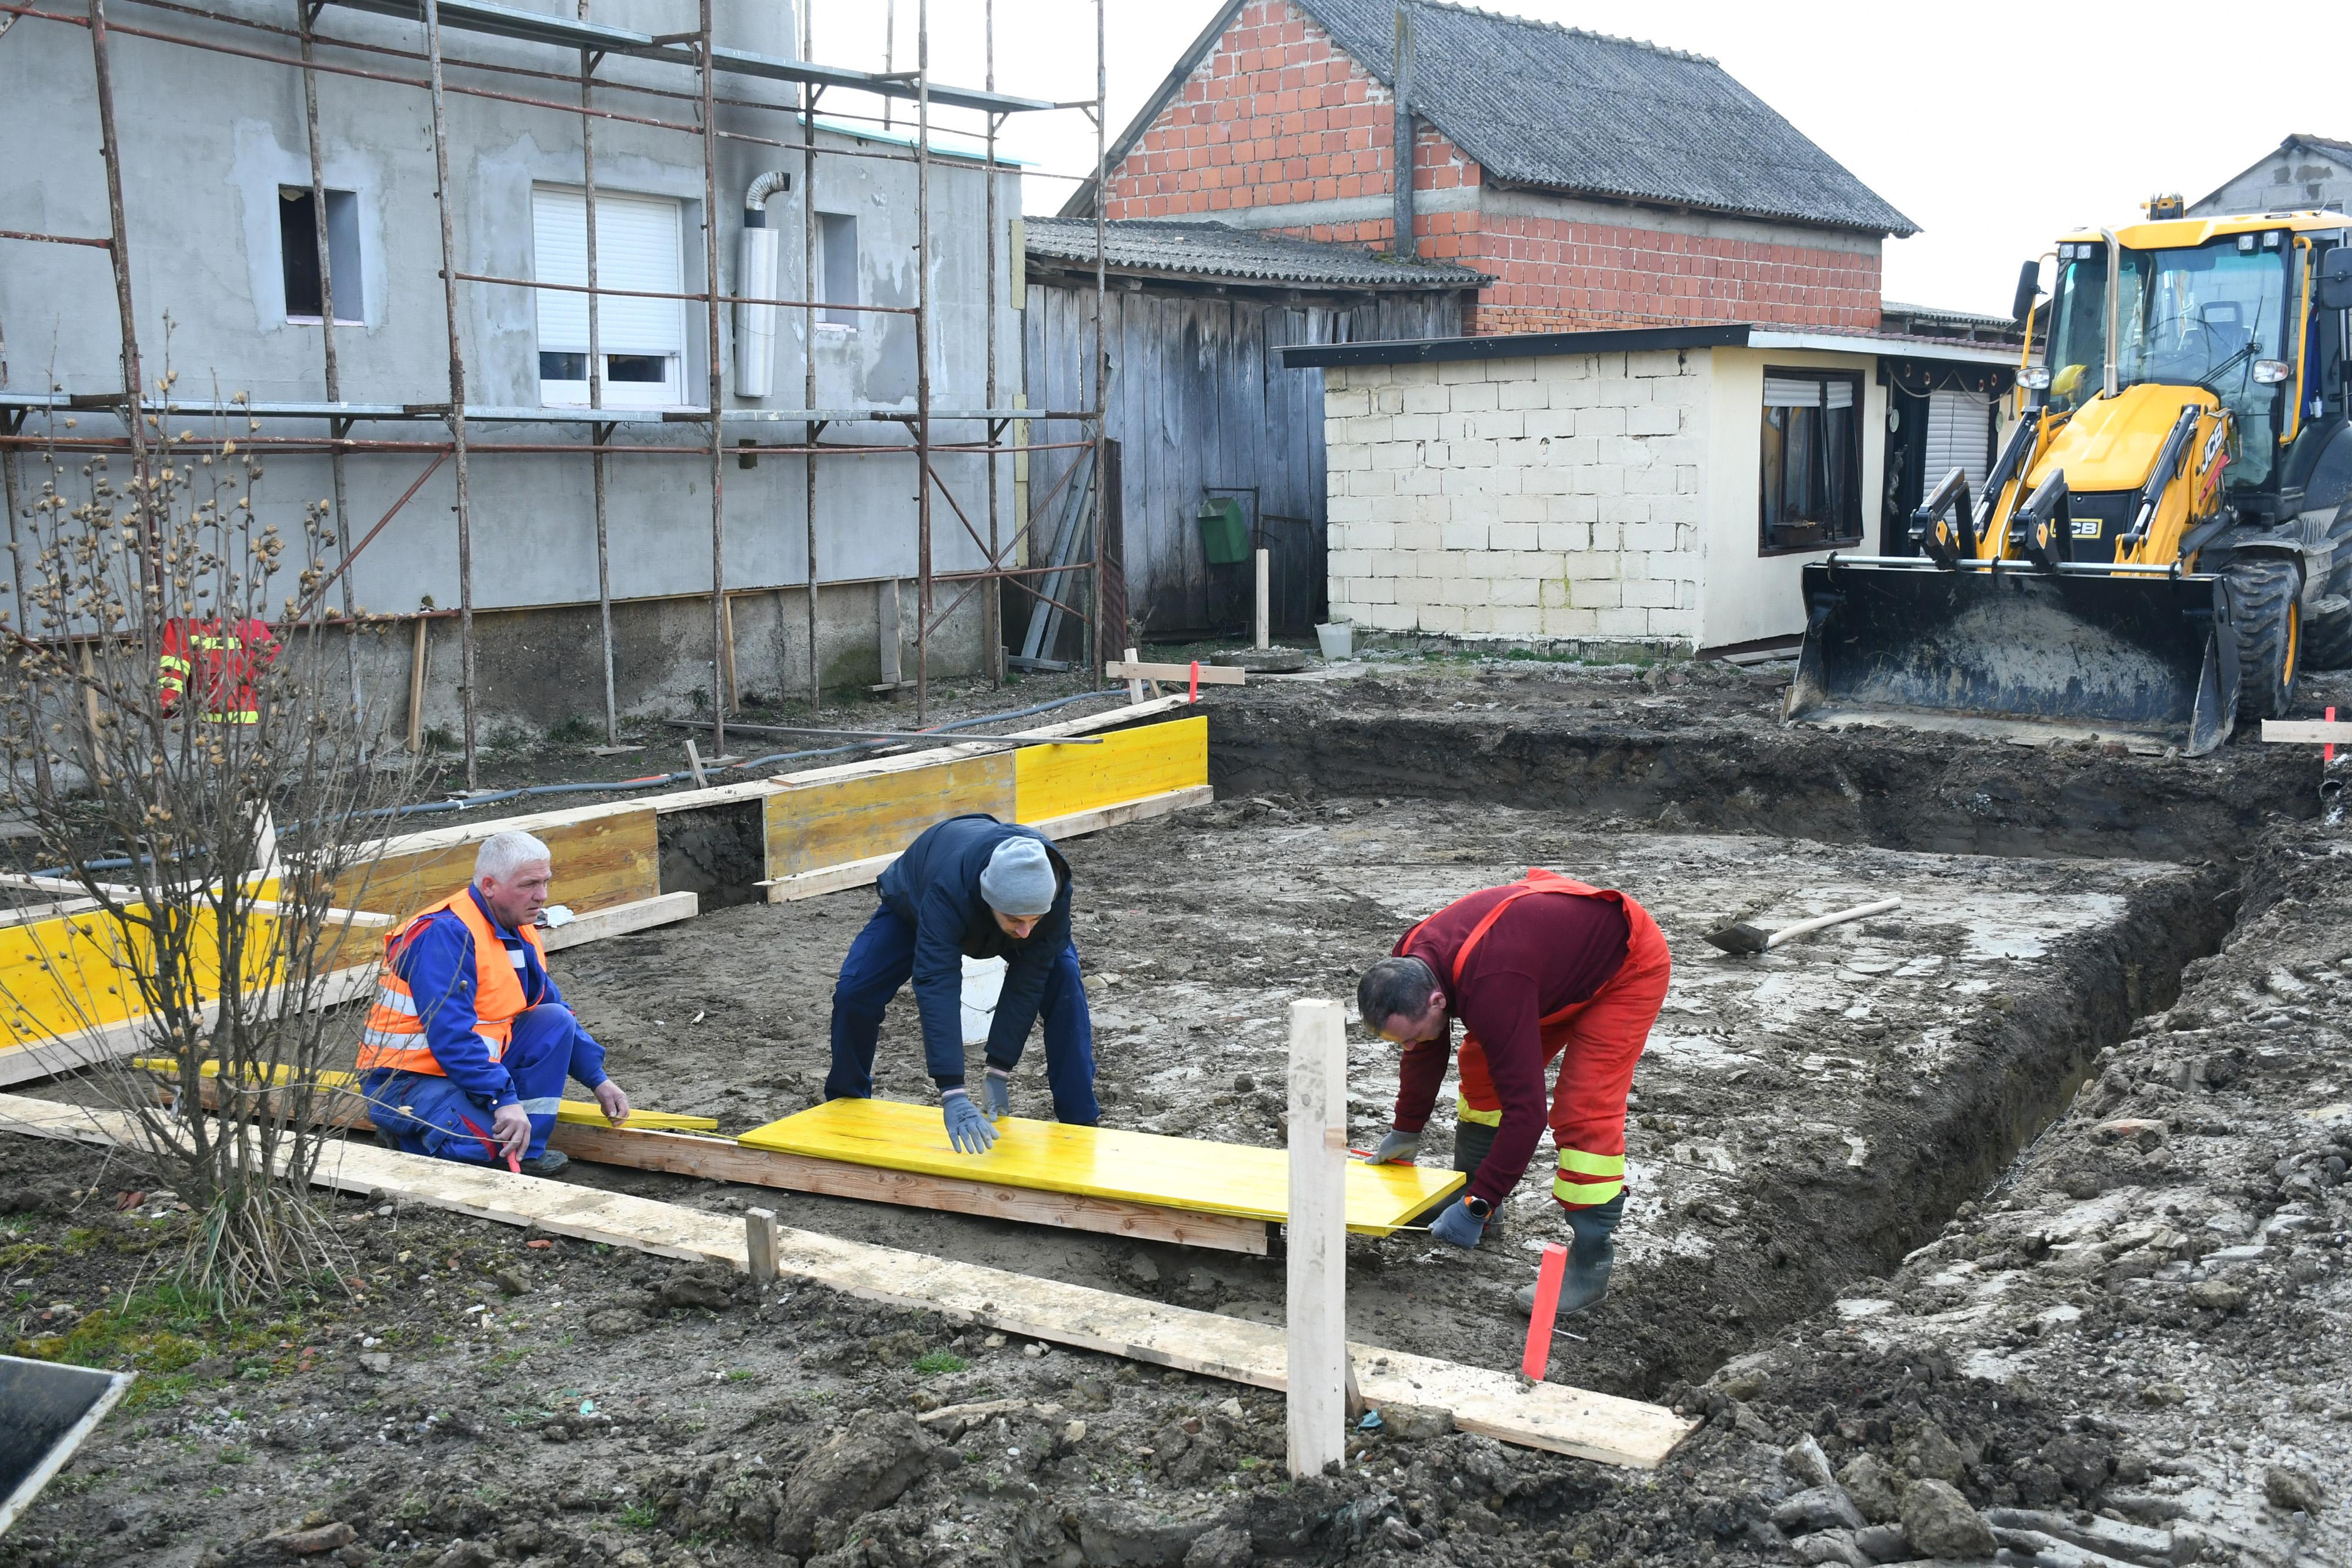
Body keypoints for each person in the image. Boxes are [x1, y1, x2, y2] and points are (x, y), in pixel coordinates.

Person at [1356, 868, 1671, 1316]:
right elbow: (1426, 1047)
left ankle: (1589, 1265)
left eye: (1409, 1035)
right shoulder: (1409, 962)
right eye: (1396, 1041)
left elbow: (1527, 1114)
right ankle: (1474, 1205)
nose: (1406, 1047)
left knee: (1584, 1109)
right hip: (1544, 966)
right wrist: (1406, 1128)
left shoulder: (1494, 986)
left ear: (1437, 1001)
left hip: (1622, 967)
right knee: (1482, 1068)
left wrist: (1480, 1202)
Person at [358, 830, 630, 1175]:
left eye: (545, 882)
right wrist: (502, 1099)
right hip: (406, 1080)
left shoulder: (517, 926)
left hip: (464, 1070)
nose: (541, 896)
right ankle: (404, 1136)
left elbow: (550, 1007)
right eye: (529, 884)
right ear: (489, 885)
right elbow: (450, 1034)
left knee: (555, 1019)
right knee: (485, 1147)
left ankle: (526, 1150)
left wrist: (597, 1079)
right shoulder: (443, 935)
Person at [826, 814, 1097, 1153]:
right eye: (1016, 920)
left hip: (998, 902)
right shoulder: (947, 891)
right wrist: (952, 1091)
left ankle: (1080, 1120)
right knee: (856, 992)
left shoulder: (1052, 890)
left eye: (1035, 920)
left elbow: (1029, 981)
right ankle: (845, 1106)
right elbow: (937, 982)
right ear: (989, 899)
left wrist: (999, 1069)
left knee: (1066, 982)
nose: (1026, 930)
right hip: (917, 900)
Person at [157, 614, 279, 724]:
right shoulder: (251, 629)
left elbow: (172, 671)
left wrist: (164, 706)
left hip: (210, 714)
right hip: (247, 712)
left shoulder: (182, 629)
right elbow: (270, 652)